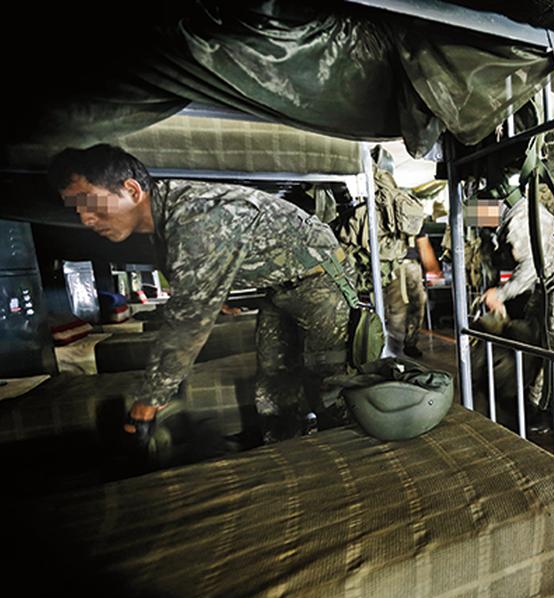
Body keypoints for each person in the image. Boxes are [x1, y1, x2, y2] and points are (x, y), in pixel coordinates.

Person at [49, 144, 358, 445]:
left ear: (131, 190)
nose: (85, 219)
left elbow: (187, 324)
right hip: (277, 289)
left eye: (89, 204)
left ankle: (345, 452)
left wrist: (149, 402)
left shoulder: (195, 218)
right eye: (78, 210)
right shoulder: (164, 221)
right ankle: (282, 448)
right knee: (273, 379)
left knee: (327, 379)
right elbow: (187, 278)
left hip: (321, 283)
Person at [482, 195, 554, 432]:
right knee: (534, 335)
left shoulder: (518, 221)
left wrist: (500, 294)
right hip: (548, 280)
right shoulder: (513, 214)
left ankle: (552, 410)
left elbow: (529, 269)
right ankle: (533, 399)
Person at [333, 147, 427, 358]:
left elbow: (346, 241)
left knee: (399, 310)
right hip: (403, 266)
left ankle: (394, 351)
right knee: (408, 308)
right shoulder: (406, 202)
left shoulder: (366, 210)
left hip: (392, 267)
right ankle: (401, 348)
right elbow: (421, 237)